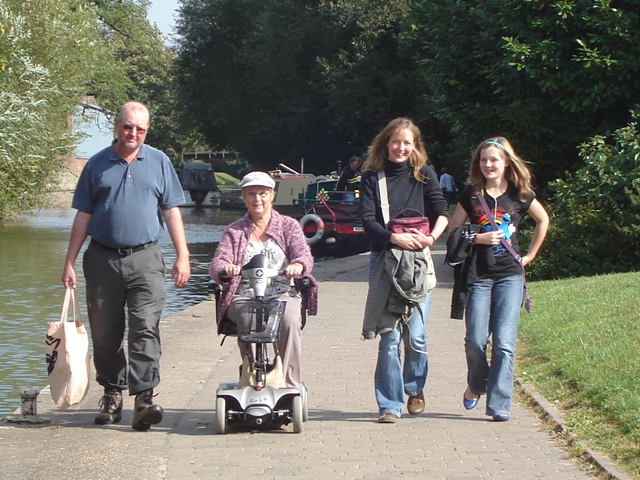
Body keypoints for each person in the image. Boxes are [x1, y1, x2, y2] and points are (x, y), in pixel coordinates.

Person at [61, 101, 191, 431]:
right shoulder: (97, 164)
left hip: (146, 258)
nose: (133, 133)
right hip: (102, 258)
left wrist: (183, 255)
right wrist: (69, 262)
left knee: (145, 327)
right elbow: (84, 215)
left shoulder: (159, 162)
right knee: (105, 333)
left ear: (147, 131)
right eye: (128, 126)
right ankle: (112, 394)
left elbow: (171, 211)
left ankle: (144, 398)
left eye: (140, 129)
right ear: (117, 126)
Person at [448, 136, 549, 422]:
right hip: (478, 275)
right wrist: (477, 237)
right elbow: (454, 233)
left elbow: (543, 220)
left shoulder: (519, 194)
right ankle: (476, 386)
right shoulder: (470, 195)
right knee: (475, 340)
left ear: (506, 162)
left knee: (504, 343)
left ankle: (499, 405)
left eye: (494, 159)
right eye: (484, 160)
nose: (489, 164)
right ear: (477, 164)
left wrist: (529, 256)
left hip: (509, 276)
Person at [359, 118, 449, 423]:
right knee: (390, 337)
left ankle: (415, 387)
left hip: (419, 263)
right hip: (385, 262)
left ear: (415, 146)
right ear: (386, 143)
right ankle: (389, 405)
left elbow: (442, 213)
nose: (400, 148)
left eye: (407, 142)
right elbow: (368, 222)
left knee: (416, 336)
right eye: (395, 142)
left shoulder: (425, 175)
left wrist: (431, 238)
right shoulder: (372, 178)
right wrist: (393, 237)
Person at [210, 171, 317, 388]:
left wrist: (298, 265)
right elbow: (218, 262)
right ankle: (251, 372)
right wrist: (226, 268)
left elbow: (303, 254)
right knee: (249, 320)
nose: (257, 199)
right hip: (244, 294)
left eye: (262, 194)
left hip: (281, 293)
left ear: (272, 196)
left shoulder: (288, 226)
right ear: (244, 197)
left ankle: (288, 382)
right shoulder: (235, 231)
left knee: (287, 319)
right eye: (251, 194)